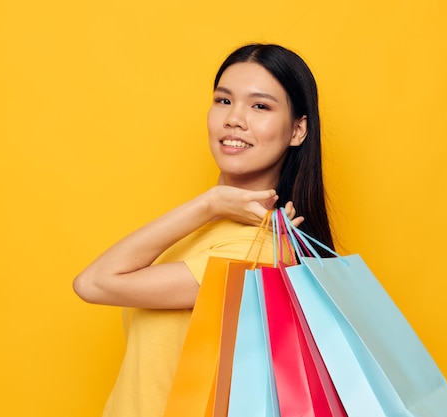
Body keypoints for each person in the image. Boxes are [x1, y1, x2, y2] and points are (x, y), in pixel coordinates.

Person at [73, 43, 334, 417]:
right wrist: (211, 210)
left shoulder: (251, 251)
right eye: (224, 101)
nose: (234, 119)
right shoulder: (217, 231)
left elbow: (93, 283)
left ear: (297, 130)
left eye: (260, 106)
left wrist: (209, 203)